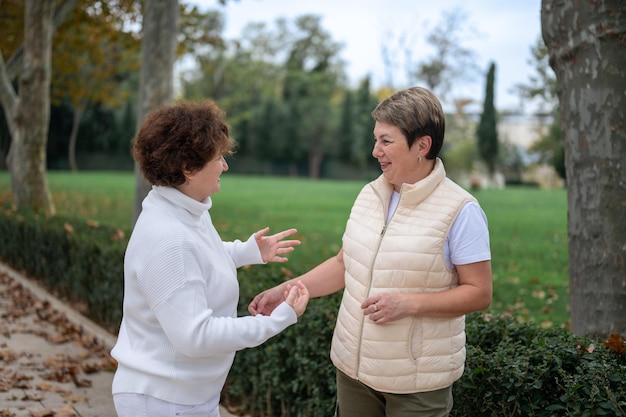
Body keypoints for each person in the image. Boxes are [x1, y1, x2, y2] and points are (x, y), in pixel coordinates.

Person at [249, 86, 492, 417]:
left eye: (386, 141)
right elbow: (343, 263)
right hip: (353, 371)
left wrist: (408, 304)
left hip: (416, 385)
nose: (375, 150)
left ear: (422, 145)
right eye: (376, 139)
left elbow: (479, 293)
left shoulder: (461, 210)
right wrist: (284, 291)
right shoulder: (370, 194)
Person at [111, 100, 309, 417]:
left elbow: (198, 259)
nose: (225, 166)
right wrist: (277, 320)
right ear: (189, 169)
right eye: (218, 158)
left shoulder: (185, 210)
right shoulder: (169, 237)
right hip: (164, 402)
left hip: (186, 397)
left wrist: (247, 252)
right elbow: (196, 336)